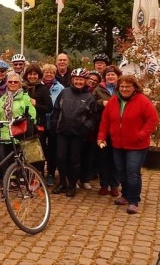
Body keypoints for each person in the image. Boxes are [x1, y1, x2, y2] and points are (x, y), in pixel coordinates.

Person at [97, 75, 159, 214]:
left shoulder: (143, 101)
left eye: (128, 87)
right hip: (118, 144)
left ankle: (133, 200)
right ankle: (125, 195)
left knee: (132, 172)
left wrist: (141, 135)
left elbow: (153, 120)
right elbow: (105, 120)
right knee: (121, 171)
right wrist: (101, 136)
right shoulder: (114, 100)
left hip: (137, 145)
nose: (124, 89)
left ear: (134, 87)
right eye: (122, 87)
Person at [50, 68, 98, 198]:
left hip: (78, 134)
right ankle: (62, 183)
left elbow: (93, 117)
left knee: (74, 160)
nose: (78, 81)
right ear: (72, 80)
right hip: (62, 132)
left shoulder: (89, 97)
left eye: (81, 79)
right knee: (60, 158)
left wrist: (85, 128)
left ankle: (72, 185)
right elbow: (56, 111)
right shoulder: (64, 92)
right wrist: (55, 126)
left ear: (85, 81)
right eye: (76, 79)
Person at [0, 73, 36, 178]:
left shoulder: (25, 98)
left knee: (20, 160)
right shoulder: (3, 99)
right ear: (6, 83)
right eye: (10, 81)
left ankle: (21, 179)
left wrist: (22, 123)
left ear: (20, 84)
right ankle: (9, 180)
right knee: (5, 160)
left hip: (19, 135)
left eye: (15, 82)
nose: (12, 83)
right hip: (5, 134)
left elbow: (32, 116)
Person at [92, 65, 123, 197]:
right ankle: (104, 185)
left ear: (118, 76)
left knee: (116, 159)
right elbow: (90, 104)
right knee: (103, 158)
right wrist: (101, 103)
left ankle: (115, 186)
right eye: (108, 75)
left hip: (118, 129)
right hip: (102, 128)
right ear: (105, 77)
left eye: (113, 74)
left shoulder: (122, 89)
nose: (110, 76)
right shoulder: (98, 89)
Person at [22, 64, 53, 175]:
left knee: (38, 152)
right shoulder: (22, 88)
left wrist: (36, 104)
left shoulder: (43, 89)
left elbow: (49, 107)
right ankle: (26, 176)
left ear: (39, 75)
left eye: (35, 74)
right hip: (25, 125)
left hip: (38, 126)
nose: (32, 76)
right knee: (26, 152)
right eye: (30, 74)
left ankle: (38, 176)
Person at [41, 64, 64, 186]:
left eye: (51, 73)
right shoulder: (39, 87)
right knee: (41, 148)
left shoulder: (60, 88)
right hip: (41, 122)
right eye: (46, 72)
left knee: (52, 150)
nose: (48, 75)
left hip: (54, 124)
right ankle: (39, 173)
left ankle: (50, 173)